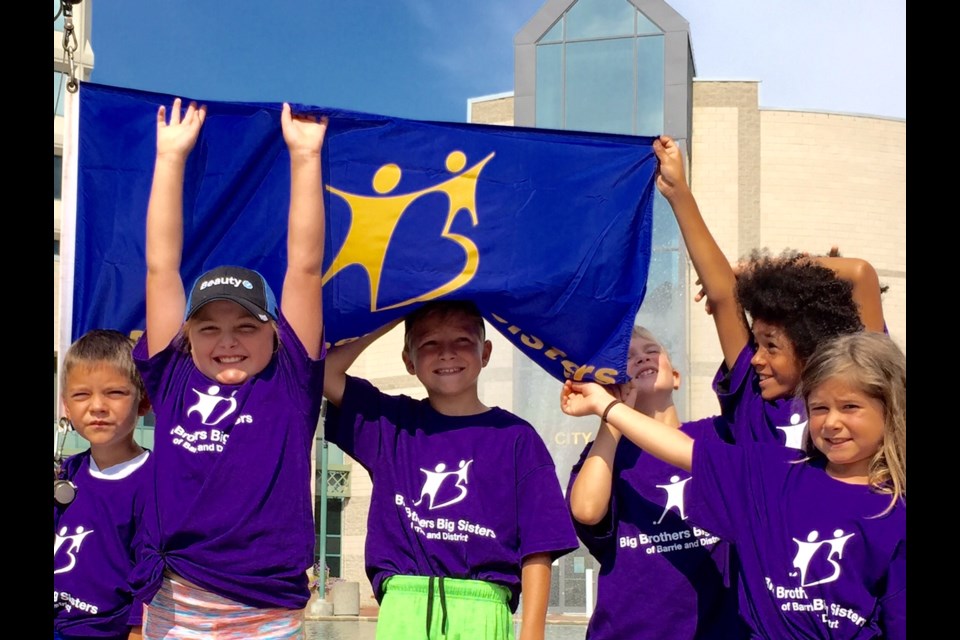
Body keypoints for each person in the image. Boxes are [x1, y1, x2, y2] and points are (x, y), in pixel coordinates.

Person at [130, 98, 328, 639]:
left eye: (245, 327)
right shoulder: (173, 378)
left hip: (267, 607)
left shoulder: (290, 384)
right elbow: (160, 266)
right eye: (210, 327)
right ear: (187, 336)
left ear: (274, 333)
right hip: (177, 598)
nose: (227, 342)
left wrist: (304, 157)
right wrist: (170, 159)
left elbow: (305, 266)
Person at [560, 330, 906, 638]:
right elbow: (588, 510)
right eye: (818, 408)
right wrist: (608, 407)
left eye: (849, 406)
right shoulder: (772, 472)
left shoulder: (731, 440)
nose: (831, 422)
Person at [323, 300, 579, 640]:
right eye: (429, 343)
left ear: (485, 353)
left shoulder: (517, 439)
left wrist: (532, 633)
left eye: (462, 341)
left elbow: (538, 548)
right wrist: (398, 310)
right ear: (408, 360)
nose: (447, 354)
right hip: (404, 608)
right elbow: (322, 372)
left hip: (483, 611)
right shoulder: (390, 424)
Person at [653, 134, 886, 448]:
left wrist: (761, 269)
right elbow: (723, 296)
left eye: (771, 347)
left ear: (811, 345)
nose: (755, 359)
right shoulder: (752, 400)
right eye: (757, 345)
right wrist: (677, 192)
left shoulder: (860, 383)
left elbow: (860, 274)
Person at [566, 326, 745, 639]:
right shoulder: (608, 454)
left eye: (651, 350)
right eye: (627, 358)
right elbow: (586, 510)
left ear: (676, 376)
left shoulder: (717, 436)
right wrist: (612, 415)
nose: (641, 357)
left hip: (715, 629)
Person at [55, 329, 153, 640]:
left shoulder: (154, 482)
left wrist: (137, 631)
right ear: (66, 406)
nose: (97, 406)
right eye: (82, 394)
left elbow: (150, 572)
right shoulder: (68, 474)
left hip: (106, 632)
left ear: (143, 402)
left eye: (114, 393)